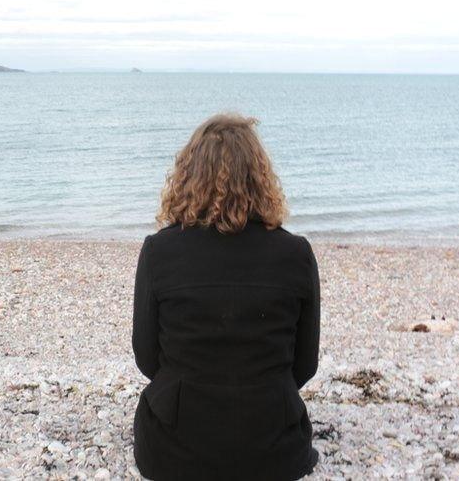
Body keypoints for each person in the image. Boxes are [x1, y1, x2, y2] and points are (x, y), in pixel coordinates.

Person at [132, 113, 320, 480]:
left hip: (174, 451)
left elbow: (147, 358)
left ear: (187, 175)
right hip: (275, 450)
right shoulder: (296, 253)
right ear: (260, 177)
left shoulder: (159, 252)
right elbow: (304, 365)